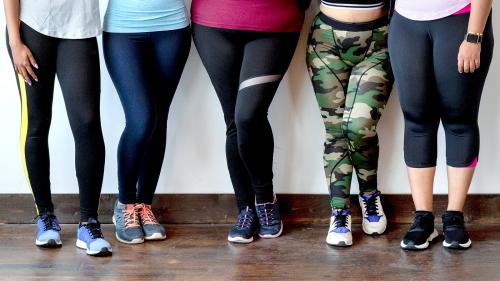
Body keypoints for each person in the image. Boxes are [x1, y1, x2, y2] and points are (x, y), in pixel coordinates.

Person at [191, 0, 308, 243]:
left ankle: (265, 198)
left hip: (275, 22)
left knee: (248, 116)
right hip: (213, 22)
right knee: (234, 120)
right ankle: (245, 208)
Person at [4, 0, 111, 256]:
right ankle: (45, 216)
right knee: (36, 124)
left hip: (80, 29)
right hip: (31, 28)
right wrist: (14, 40)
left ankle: (89, 223)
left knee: (87, 123)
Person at [389, 0, 494, 250]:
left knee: (459, 119)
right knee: (417, 120)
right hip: (406, 24)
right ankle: (422, 220)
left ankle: (454, 218)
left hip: (460, 20)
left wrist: (474, 36)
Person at [103, 0, 191, 244]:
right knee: (141, 120)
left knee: (158, 119)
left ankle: (144, 204)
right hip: (123, 31)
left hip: (173, 29)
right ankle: (125, 205)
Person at [307, 0, 393, 247]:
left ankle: (369, 194)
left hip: (379, 40)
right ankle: (339, 212)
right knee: (335, 132)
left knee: (360, 127)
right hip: (325, 41)